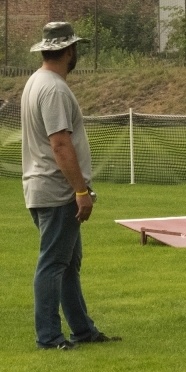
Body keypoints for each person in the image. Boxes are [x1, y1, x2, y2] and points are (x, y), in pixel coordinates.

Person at [22, 22, 121, 350]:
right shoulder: (53, 89)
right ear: (68, 50)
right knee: (53, 263)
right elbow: (60, 144)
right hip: (56, 190)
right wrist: (80, 191)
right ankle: (49, 337)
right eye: (75, 48)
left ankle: (83, 330)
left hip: (43, 187)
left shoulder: (36, 82)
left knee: (67, 264)